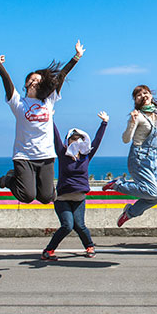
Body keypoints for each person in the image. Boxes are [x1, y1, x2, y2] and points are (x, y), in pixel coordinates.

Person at [0, 36, 85, 204]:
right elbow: (5, 77)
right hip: (24, 156)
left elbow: (62, 75)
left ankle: (27, 184)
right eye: (31, 79)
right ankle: (8, 179)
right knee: (27, 196)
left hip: (46, 155)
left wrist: (76, 57)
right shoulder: (17, 102)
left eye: (38, 80)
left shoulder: (48, 100)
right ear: (25, 84)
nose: (34, 82)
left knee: (46, 198)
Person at [41, 111, 109, 260]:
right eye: (73, 139)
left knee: (80, 225)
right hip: (62, 198)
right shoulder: (62, 154)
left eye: (79, 139)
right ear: (68, 141)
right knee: (67, 225)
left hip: (79, 198)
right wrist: (50, 118)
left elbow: (97, 141)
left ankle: (89, 246)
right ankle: (48, 251)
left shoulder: (86, 157)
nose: (76, 141)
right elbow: (55, 137)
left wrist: (104, 123)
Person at [103, 85, 157, 227]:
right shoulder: (138, 115)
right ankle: (118, 184)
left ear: (151, 95)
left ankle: (130, 212)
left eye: (146, 93)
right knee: (152, 192)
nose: (144, 96)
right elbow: (126, 139)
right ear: (136, 100)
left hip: (153, 157)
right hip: (139, 157)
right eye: (139, 95)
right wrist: (132, 122)